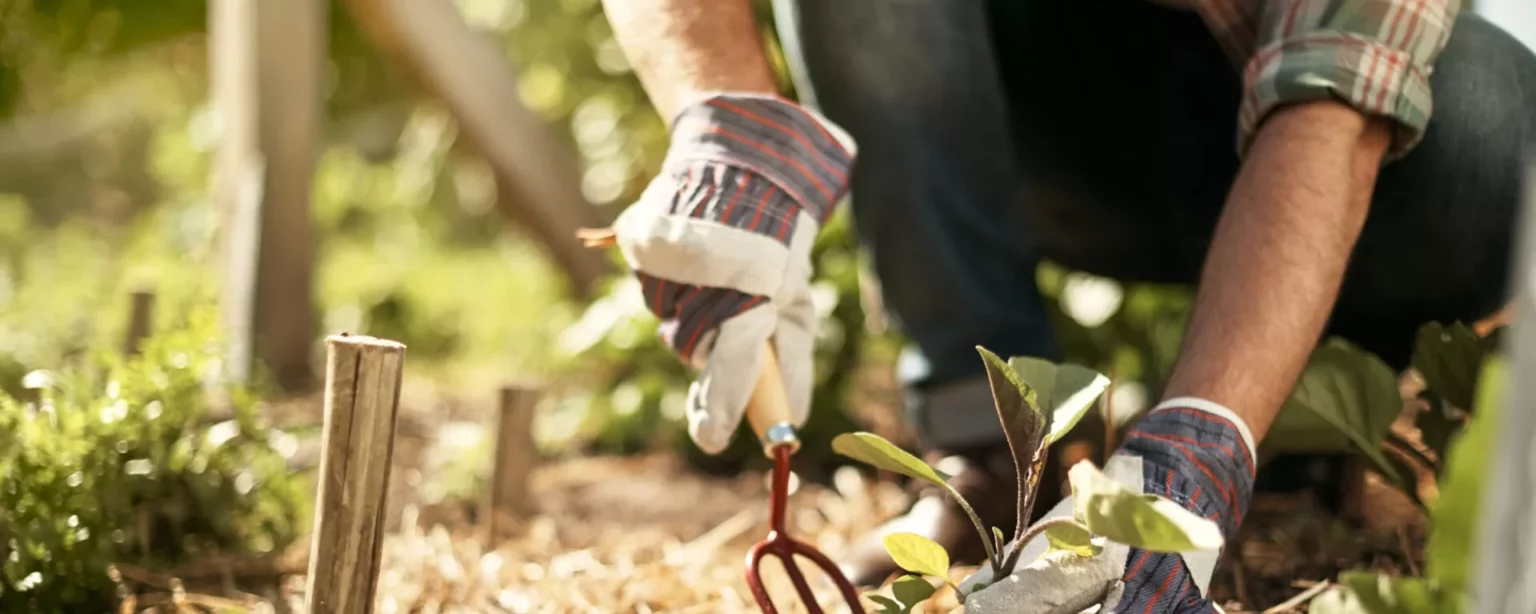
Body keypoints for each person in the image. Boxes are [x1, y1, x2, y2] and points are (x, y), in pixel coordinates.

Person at [598, 0, 1536, 610]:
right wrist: (720, 113)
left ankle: (1298, 424)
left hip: (1359, 122)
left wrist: (1195, 450)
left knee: (1498, 137)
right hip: (1056, 118)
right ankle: (993, 450)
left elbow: (1340, 101)